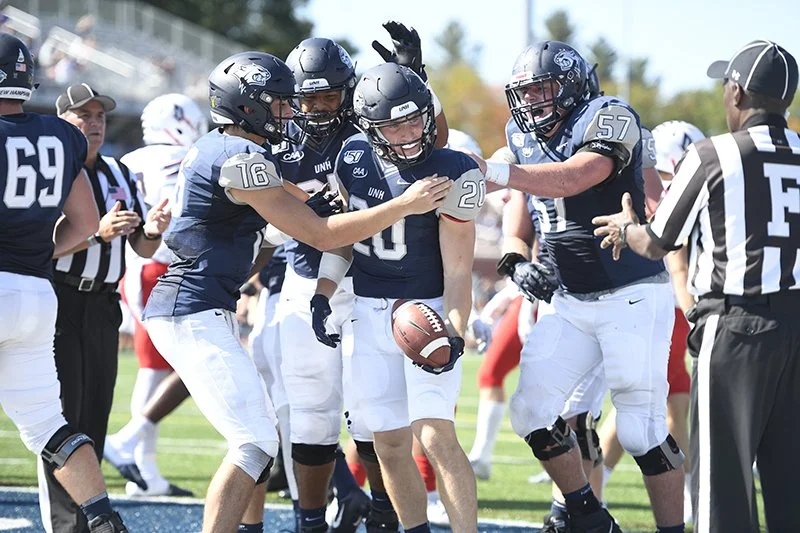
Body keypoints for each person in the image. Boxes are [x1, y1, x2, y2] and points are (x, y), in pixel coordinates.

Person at [142, 50, 452, 533]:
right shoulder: (241, 158)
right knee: (258, 439)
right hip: (196, 306)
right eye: (280, 102)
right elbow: (323, 234)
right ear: (248, 106)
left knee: (272, 431)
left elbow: (290, 198)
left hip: (209, 303)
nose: (292, 111)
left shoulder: (227, 149)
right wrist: (404, 206)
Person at [472, 41, 685, 533]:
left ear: (572, 88)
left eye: (544, 92)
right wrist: (514, 255)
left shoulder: (610, 115)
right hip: (568, 299)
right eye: (525, 94)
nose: (533, 105)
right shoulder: (521, 138)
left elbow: (576, 176)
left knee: (641, 430)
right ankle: (588, 516)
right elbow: (520, 208)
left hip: (631, 292)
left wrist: (496, 170)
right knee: (531, 410)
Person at [593, 39, 800, 533]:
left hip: (736, 328)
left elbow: (658, 240)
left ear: (737, 92)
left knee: (720, 483)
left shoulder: (712, 155)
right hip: (796, 327)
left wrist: (625, 229)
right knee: (790, 481)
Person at [276, 26, 450, 533]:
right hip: (307, 277)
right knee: (310, 411)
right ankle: (310, 519)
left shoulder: (370, 128)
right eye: (310, 98)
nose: (321, 108)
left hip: (367, 283)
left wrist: (416, 79)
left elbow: (429, 141)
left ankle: (382, 512)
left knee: (376, 415)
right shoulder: (275, 137)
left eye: (332, 94)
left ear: (349, 90)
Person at [312, 62, 481, 533]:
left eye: (414, 119)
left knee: (434, 434)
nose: (407, 132)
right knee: (385, 443)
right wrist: (325, 291)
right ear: (370, 126)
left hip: (423, 308)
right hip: (367, 314)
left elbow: (459, 267)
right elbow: (344, 236)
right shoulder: (352, 158)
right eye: (393, 123)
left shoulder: (453, 170)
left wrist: (457, 325)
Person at [0, 32, 127, 532]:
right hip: (36, 294)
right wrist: (33, 253)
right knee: (51, 426)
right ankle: (103, 521)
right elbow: (85, 223)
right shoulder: (61, 136)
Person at [38, 81, 172, 532]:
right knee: (63, 418)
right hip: (60, 297)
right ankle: (66, 524)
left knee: (94, 413)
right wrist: (96, 234)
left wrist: (152, 227)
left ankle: (88, 517)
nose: (94, 124)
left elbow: (141, 245)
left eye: (99, 117)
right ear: (63, 121)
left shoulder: (119, 170)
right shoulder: (50, 168)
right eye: (83, 115)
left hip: (102, 303)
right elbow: (41, 245)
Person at [598, 120, 705, 525]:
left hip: (660, 309)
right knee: (654, 405)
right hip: (665, 308)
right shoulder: (658, 194)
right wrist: (694, 315)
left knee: (662, 403)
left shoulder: (644, 185)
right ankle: (688, 498)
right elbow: (676, 263)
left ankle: (601, 486)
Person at [102, 93, 208, 497]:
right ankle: (132, 449)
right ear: (180, 120)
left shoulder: (129, 160)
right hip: (163, 264)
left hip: (140, 265)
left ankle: (144, 471)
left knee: (155, 368)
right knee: (176, 365)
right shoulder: (188, 156)